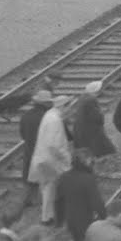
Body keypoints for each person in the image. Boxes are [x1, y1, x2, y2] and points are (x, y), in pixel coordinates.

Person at [29, 95, 71, 225]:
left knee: (47, 188)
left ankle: (47, 217)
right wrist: (66, 159)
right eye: (68, 107)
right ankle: (58, 216)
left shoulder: (48, 115)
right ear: (62, 106)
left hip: (41, 157)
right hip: (51, 159)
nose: (69, 110)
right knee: (57, 187)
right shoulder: (55, 120)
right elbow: (55, 145)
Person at [57, 148, 107, 241]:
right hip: (86, 221)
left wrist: (59, 220)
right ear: (86, 162)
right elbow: (97, 202)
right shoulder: (88, 179)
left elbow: (58, 200)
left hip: (70, 220)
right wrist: (105, 217)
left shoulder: (64, 177)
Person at [19, 90, 53, 206]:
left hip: (30, 151)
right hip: (44, 152)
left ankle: (29, 199)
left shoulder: (26, 116)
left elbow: (23, 134)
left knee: (30, 178)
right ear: (47, 104)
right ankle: (45, 202)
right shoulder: (48, 117)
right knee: (47, 179)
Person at [73, 81, 115, 159]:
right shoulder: (91, 100)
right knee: (108, 152)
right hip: (92, 133)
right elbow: (97, 118)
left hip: (82, 132)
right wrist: (101, 113)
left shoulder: (82, 98)